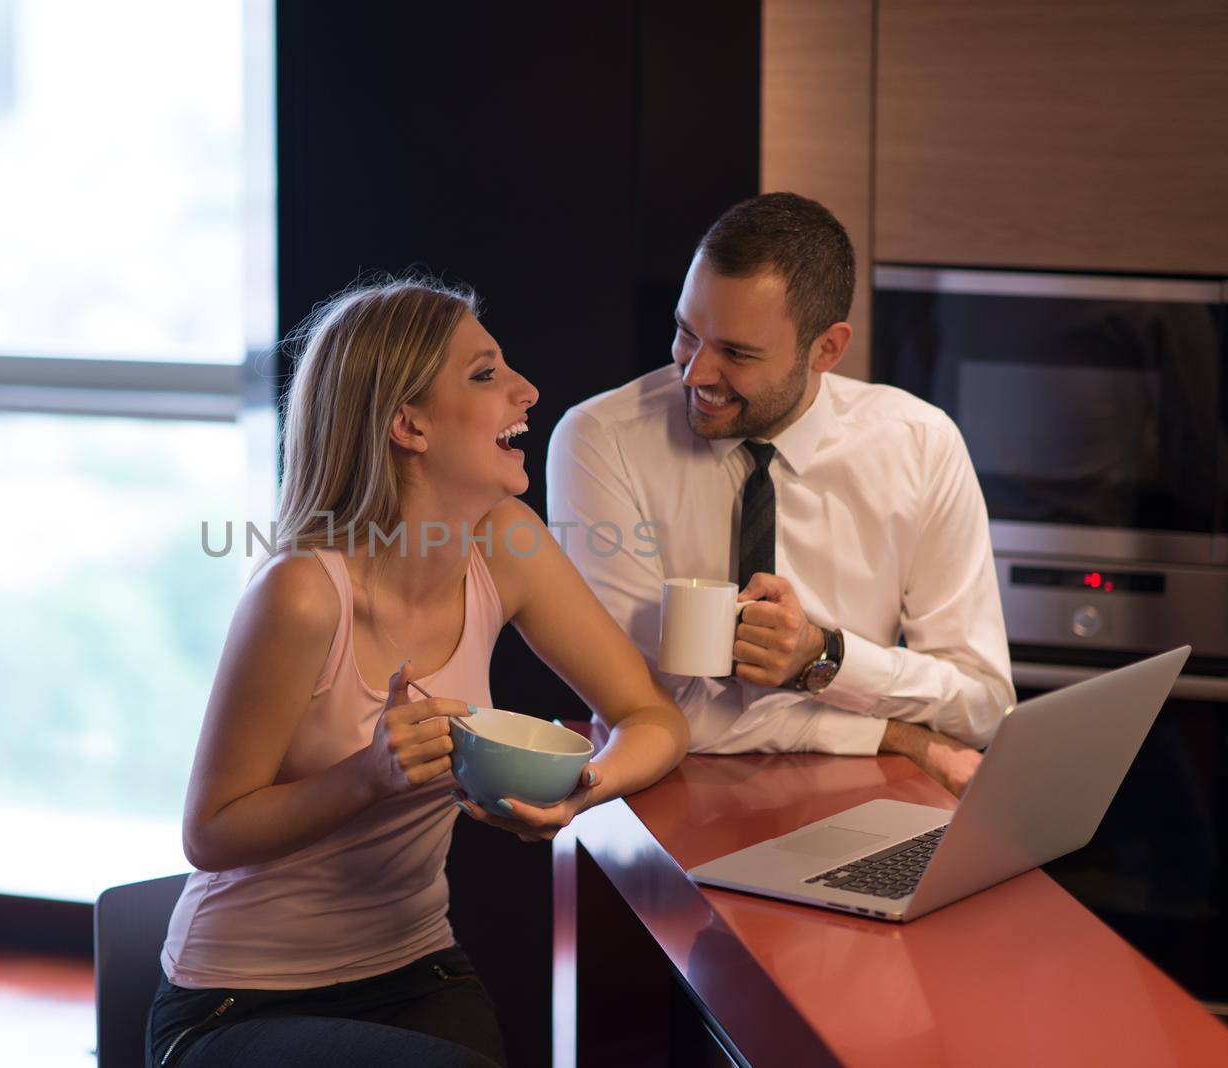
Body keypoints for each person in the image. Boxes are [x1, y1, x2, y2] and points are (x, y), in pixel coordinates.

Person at [149, 278, 689, 1067]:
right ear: (409, 424)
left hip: (415, 966)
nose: (527, 391)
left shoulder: (508, 543)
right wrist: (370, 774)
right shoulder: (302, 594)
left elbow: (654, 718)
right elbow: (210, 830)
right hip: (237, 1001)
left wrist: (584, 791)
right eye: (484, 375)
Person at [547, 192, 1014, 797]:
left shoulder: (921, 445)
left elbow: (982, 706)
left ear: (827, 349)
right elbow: (657, 714)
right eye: (687, 332)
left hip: (861, 805)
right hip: (664, 800)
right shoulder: (599, 441)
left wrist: (824, 656)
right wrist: (893, 734)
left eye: (737, 353)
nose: (695, 373)